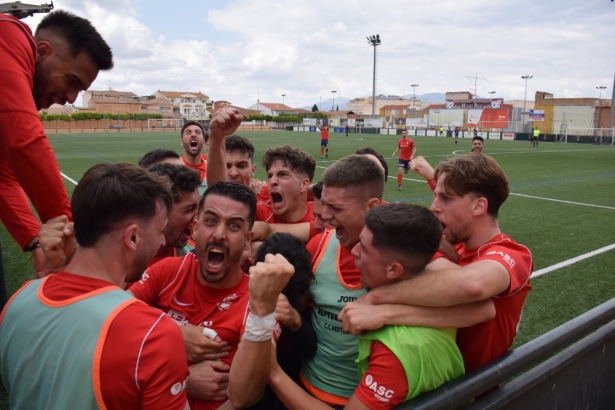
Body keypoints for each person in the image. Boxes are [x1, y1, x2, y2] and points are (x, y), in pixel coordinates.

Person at [0, 163, 189, 409]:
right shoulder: (152, 334)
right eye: (160, 230)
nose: (163, 240)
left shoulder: (16, 303)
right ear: (133, 237)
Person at [339, 154, 533, 375]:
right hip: (433, 379)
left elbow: (473, 284)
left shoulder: (512, 254)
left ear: (478, 206)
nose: (434, 207)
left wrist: (377, 301)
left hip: (476, 392)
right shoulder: (455, 246)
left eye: (445, 198)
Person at [269, 203, 465, 409]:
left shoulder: (396, 351)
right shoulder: (439, 299)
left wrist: (273, 373)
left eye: (363, 247)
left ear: (393, 269)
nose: (353, 251)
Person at [129, 182, 294, 410]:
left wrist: (263, 313)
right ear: (195, 228)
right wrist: (174, 341)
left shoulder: (259, 302)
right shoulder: (169, 271)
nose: (218, 234)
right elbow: (112, 324)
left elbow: (241, 396)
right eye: (210, 221)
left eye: (234, 226)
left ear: (248, 240)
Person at [0, 10, 112, 271]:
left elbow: (2, 178)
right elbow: (24, 138)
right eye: (71, 81)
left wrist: (36, 241)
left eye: (79, 90)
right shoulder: (9, 32)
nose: (71, 98)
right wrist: (71, 235)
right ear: (41, 51)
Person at [301, 154, 384, 406]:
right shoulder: (319, 245)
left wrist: (388, 307)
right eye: (324, 204)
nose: (324, 216)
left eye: (336, 208)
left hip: (368, 399)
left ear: (371, 208)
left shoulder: (404, 249)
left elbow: (470, 295)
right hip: (306, 386)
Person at [146, 163, 200, 266]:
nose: (198, 218)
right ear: (159, 209)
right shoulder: (121, 265)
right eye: (189, 209)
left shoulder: (195, 254)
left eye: (199, 208)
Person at [180, 120, 208, 194]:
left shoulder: (212, 168)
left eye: (197, 132)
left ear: (204, 142)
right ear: (181, 142)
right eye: (188, 132)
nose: (193, 135)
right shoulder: (174, 167)